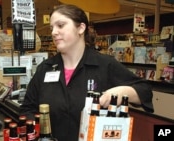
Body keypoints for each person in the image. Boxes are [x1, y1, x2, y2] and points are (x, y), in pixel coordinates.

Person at [19, 4, 154, 141]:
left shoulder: (104, 65)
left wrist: (121, 92)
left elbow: (145, 90)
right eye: (52, 28)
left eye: (60, 25)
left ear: (81, 28)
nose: (54, 32)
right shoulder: (45, 68)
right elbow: (28, 109)